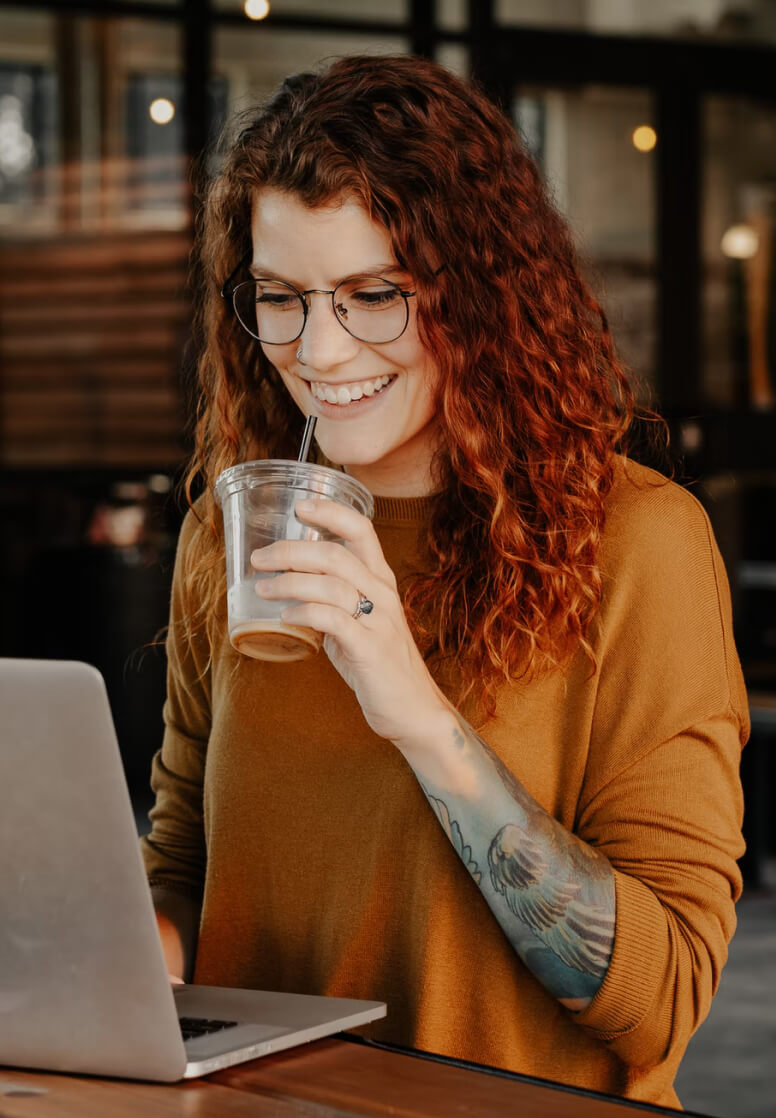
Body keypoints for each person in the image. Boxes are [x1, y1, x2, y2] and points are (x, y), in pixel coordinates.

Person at [141, 55, 749, 1108]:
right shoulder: (230, 534)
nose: (319, 349)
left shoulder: (637, 542)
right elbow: (186, 863)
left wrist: (415, 709)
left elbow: (660, 999)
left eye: (374, 294)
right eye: (280, 297)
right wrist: (92, 944)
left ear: (479, 289)